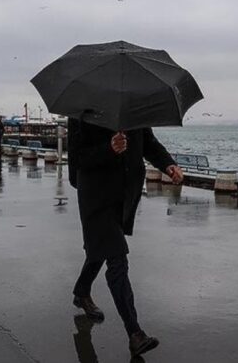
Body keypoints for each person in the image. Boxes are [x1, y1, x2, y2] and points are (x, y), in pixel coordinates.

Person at [67, 118, 184, 358]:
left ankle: (81, 292)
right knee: (117, 258)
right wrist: (108, 148)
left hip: (123, 198)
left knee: (102, 248)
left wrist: (168, 165)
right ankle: (135, 333)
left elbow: (148, 142)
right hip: (96, 197)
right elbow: (77, 158)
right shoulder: (82, 109)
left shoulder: (134, 106)